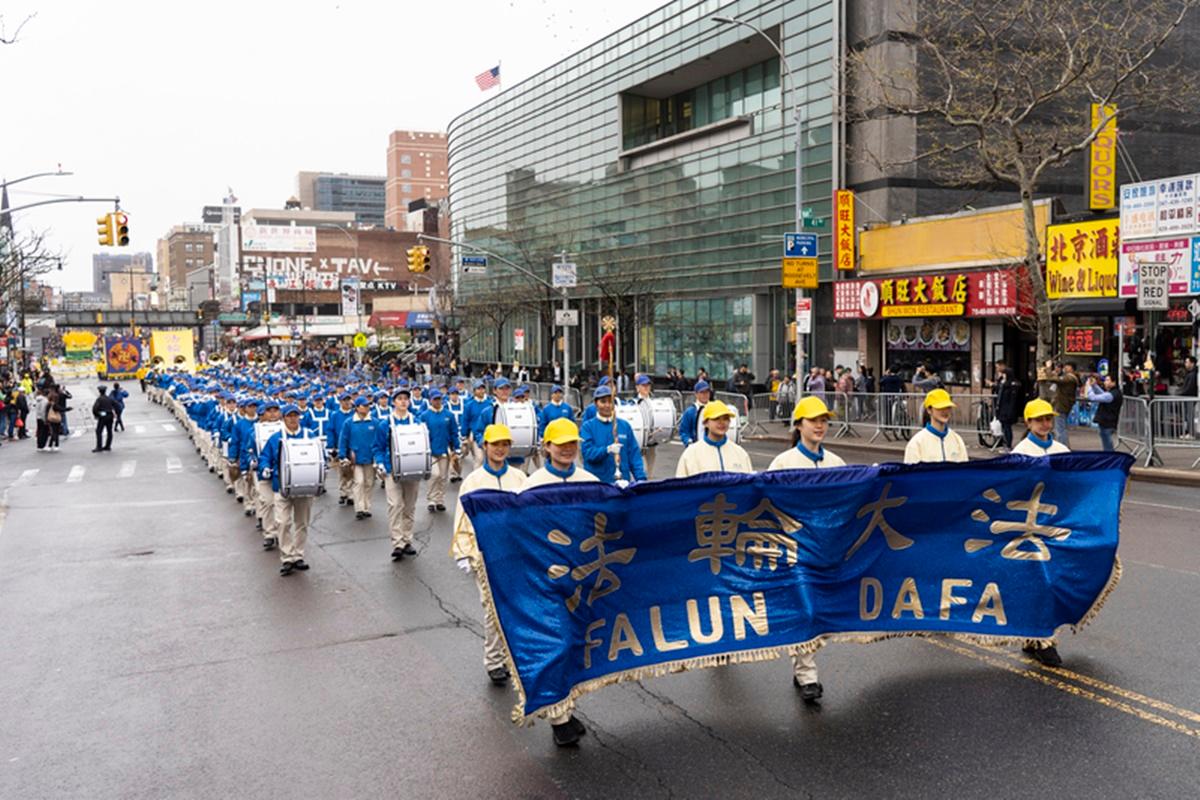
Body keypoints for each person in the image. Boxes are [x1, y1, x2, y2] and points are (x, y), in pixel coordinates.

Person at [765, 395, 846, 703]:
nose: (820, 426)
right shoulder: (783, 464)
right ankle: (807, 675)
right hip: (796, 553)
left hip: (827, 551)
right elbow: (767, 503)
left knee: (823, 615)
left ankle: (801, 660)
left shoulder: (836, 463)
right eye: (814, 421)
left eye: (824, 420)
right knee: (807, 610)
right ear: (798, 425)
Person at [521, 417, 596, 746]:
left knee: (578, 644)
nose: (568, 448)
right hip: (548, 578)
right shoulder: (532, 485)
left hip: (584, 576)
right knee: (557, 644)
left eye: (572, 443)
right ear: (547, 447)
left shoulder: (590, 480)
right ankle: (559, 720)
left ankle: (567, 707)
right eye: (560, 443)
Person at [450, 424, 527, 693]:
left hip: (515, 555)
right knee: (492, 607)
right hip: (485, 554)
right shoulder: (473, 482)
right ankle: (494, 661)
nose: (501, 449)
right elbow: (462, 518)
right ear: (485, 446)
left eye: (505, 444)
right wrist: (463, 552)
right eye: (496, 444)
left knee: (516, 607)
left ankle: (512, 656)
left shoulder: (519, 478)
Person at [261, 404, 318, 575]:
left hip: (305, 485)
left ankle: (298, 555)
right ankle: (287, 557)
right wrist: (264, 467)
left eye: (296, 416)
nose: (293, 419)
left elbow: (318, 454)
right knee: (283, 522)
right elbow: (265, 456)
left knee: (302, 523)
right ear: (283, 418)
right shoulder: (275, 438)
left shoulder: (309, 435)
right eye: (289, 416)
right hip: (282, 486)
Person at [374, 387, 423, 560]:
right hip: (392, 470)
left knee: (409, 506)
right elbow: (378, 447)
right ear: (393, 402)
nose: (403, 401)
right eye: (400, 398)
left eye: (406, 399)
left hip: (412, 469)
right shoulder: (385, 423)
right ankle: (397, 543)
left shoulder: (416, 422)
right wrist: (380, 463)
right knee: (395, 506)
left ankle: (407, 539)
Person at [580, 385, 646, 485]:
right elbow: (588, 454)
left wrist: (641, 479)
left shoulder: (625, 426)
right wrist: (607, 450)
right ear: (595, 404)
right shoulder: (587, 427)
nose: (607, 405)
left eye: (610, 401)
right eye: (603, 401)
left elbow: (634, 455)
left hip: (622, 483)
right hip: (597, 484)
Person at [675, 400, 753, 477]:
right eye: (716, 418)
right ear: (705, 423)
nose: (721, 422)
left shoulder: (740, 454)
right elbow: (680, 486)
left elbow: (749, 484)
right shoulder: (690, 454)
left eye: (725, 418)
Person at [249, 399, 284, 550]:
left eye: (275, 410)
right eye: (269, 411)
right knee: (267, 502)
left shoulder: (285, 428)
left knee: (282, 505)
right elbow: (249, 450)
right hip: (264, 472)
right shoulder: (255, 431)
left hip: (283, 474)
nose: (273, 414)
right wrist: (251, 463)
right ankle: (269, 533)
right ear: (263, 414)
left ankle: (282, 533)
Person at [419, 388, 459, 513]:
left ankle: (440, 500)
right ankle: (431, 499)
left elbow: (453, 432)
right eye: (435, 399)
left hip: (444, 449)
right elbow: (421, 434)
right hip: (430, 450)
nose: (437, 401)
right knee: (434, 475)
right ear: (430, 400)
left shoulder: (449, 415)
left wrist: (455, 448)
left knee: (442, 476)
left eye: (439, 399)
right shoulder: (424, 416)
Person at [903, 389, 968, 463]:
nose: (945, 411)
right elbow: (911, 473)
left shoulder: (957, 439)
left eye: (948, 407)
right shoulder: (916, 443)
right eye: (940, 408)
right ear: (929, 410)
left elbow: (964, 470)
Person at [339, 396, 377, 521]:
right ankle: (359, 508)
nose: (367, 407)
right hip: (355, 458)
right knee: (359, 482)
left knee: (369, 483)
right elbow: (343, 439)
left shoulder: (374, 422)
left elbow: (380, 440)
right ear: (357, 407)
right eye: (364, 405)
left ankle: (367, 507)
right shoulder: (349, 423)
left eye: (368, 405)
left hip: (370, 457)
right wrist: (343, 455)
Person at [1085, 374, 1124, 452]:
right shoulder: (1114, 393)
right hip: (1108, 421)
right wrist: (1094, 386)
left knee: (1107, 446)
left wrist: (1089, 387)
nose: (1105, 382)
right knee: (1107, 444)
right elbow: (1102, 394)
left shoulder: (1112, 394)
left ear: (1114, 382)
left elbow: (1093, 397)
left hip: (1107, 422)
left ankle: (1110, 460)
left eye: (1107, 380)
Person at [991, 363, 1023, 450]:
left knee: (1007, 428)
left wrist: (1009, 412)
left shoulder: (1011, 386)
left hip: (1007, 411)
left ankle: (1008, 445)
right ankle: (1005, 444)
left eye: (1004, 374)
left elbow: (1012, 401)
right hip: (1001, 409)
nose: (1003, 376)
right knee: (1004, 428)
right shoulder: (1003, 385)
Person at [677, 380, 712, 447]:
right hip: (695, 447)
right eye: (702, 392)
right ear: (696, 394)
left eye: (707, 392)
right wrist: (688, 441)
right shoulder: (690, 412)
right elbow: (683, 431)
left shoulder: (714, 408)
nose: (705, 395)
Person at [92, 385, 117, 452]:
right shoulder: (109, 398)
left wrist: (97, 415)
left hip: (103, 416)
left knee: (99, 431)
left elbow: (95, 409)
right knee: (109, 431)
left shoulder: (99, 399)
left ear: (99, 391)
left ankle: (99, 446)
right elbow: (117, 405)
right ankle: (108, 446)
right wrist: (115, 412)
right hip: (110, 415)